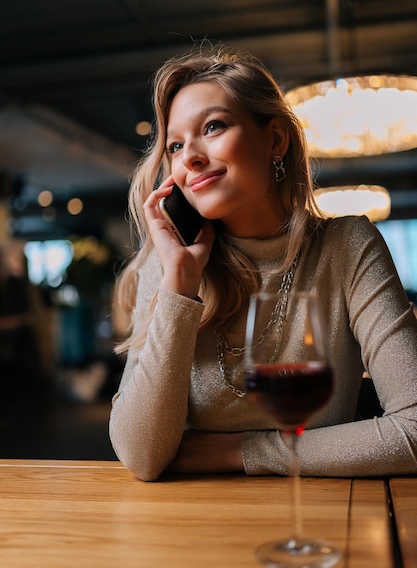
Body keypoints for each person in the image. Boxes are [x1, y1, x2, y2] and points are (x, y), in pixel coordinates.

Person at [109, 44, 417, 482]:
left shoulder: (347, 246)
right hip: (184, 528)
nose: (190, 156)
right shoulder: (167, 265)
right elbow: (141, 456)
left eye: (213, 126)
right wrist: (179, 282)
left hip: (317, 523)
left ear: (274, 139)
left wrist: (241, 451)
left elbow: (414, 430)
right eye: (175, 145)